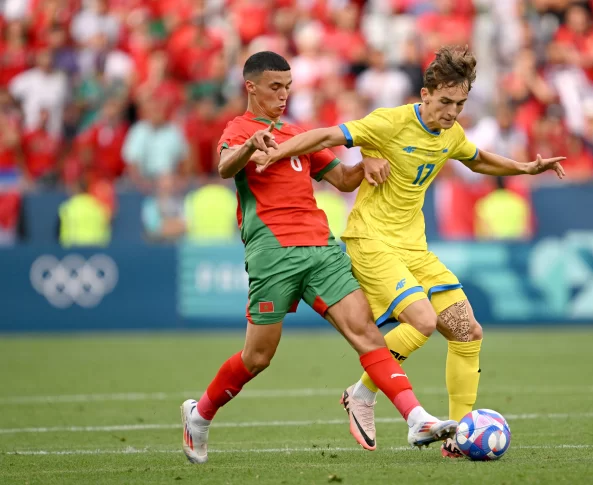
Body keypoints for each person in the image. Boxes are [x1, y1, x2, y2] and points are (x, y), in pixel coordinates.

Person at [253, 46, 566, 458]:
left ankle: (459, 438)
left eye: (460, 104)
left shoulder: (450, 134)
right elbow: (329, 136)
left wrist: (525, 168)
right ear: (424, 94)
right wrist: (279, 151)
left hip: (413, 245)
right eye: (444, 102)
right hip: (371, 240)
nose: (452, 112)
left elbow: (477, 160)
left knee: (467, 331)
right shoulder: (390, 122)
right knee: (422, 320)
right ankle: (362, 394)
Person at [180, 51, 458, 465]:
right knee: (258, 357)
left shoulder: (298, 133)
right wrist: (250, 146)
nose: (284, 94)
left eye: (288, 86)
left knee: (365, 333)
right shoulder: (238, 130)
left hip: (321, 247)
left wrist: (366, 164)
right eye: (275, 86)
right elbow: (224, 167)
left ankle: (415, 417)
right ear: (251, 87)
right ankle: (199, 416)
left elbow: (343, 181)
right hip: (272, 252)